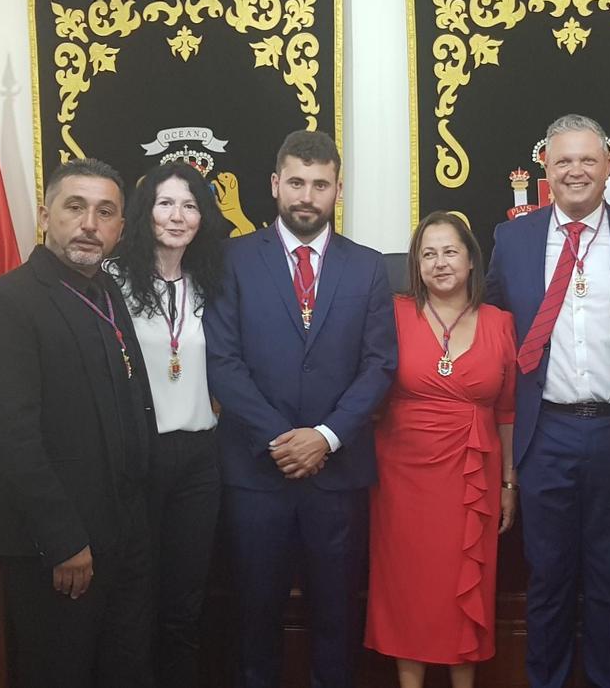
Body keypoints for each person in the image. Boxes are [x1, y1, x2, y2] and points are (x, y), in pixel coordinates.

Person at [204, 130, 397, 688]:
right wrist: (284, 439)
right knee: (252, 619)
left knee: (337, 621)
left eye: (319, 184)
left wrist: (327, 437)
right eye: (295, 183)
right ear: (274, 185)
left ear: (338, 188)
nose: (306, 196)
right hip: (255, 475)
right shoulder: (233, 261)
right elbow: (224, 360)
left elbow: (379, 365)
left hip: (337, 477)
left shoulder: (367, 268)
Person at [485, 113, 610, 688]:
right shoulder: (511, 239)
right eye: (564, 161)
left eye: (588, 159)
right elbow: (490, 329)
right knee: (548, 579)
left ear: (609, 166)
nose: (576, 171)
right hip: (547, 434)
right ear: (546, 168)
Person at [0, 158, 156, 688]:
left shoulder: (107, 293)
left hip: (123, 535)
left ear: (120, 228)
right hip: (60, 549)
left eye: (105, 212)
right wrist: (65, 541)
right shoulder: (5, 302)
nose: (89, 224)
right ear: (47, 215)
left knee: (125, 671)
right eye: (75, 207)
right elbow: (11, 437)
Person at [365, 211, 517, 687]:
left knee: (463, 587)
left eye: (450, 251)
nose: (439, 263)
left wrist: (510, 482)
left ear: (472, 260)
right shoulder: (391, 313)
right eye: (427, 254)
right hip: (402, 477)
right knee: (408, 588)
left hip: (475, 474)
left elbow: (508, 412)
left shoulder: (500, 322)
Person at [107, 161, 225, 688]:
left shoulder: (213, 282)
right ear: (145, 211)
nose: (178, 216)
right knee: (135, 596)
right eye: (165, 203)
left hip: (200, 459)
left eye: (190, 205)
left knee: (185, 599)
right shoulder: (111, 282)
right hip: (139, 456)